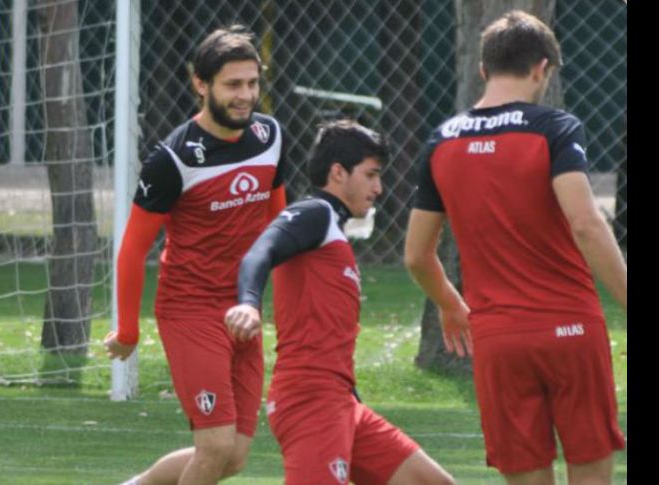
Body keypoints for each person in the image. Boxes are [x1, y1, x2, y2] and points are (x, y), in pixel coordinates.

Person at [404, 10, 626, 485]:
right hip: (569, 330)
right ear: (542, 68)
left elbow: (416, 255)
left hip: (498, 340)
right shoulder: (555, 128)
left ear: (483, 70)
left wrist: (449, 303)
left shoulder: (440, 141)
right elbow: (585, 224)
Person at [104, 25, 288, 485]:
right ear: (201, 85)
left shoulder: (270, 137)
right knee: (215, 446)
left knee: (235, 456)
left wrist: (280, 302)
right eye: (233, 85)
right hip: (190, 310)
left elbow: (276, 225)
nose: (246, 95)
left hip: (243, 311)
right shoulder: (173, 158)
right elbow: (132, 251)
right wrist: (127, 330)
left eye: (252, 83)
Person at [225, 120, 456, 485]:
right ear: (337, 172)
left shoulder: (332, 230)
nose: (379, 188)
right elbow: (260, 251)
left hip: (341, 400)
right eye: (370, 175)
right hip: (309, 399)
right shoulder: (314, 212)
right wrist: (248, 303)